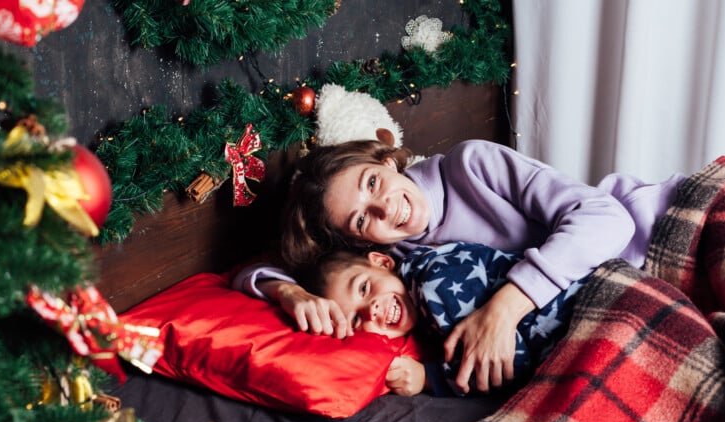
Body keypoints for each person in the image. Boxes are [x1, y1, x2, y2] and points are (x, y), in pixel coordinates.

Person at [234, 138, 688, 395]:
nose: (385, 208)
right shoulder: (395, 264)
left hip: (658, 231)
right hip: (607, 307)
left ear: (387, 162)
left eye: (373, 183)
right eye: (361, 219)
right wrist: (289, 292)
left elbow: (610, 220)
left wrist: (505, 309)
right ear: (359, 242)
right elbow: (250, 272)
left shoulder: (470, 165)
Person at [299, 243, 585, 397]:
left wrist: (428, 378)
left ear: (383, 262)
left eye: (364, 288)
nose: (371, 310)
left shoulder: (434, 285)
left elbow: (506, 364)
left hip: (579, 311)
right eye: (355, 320)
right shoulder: (420, 280)